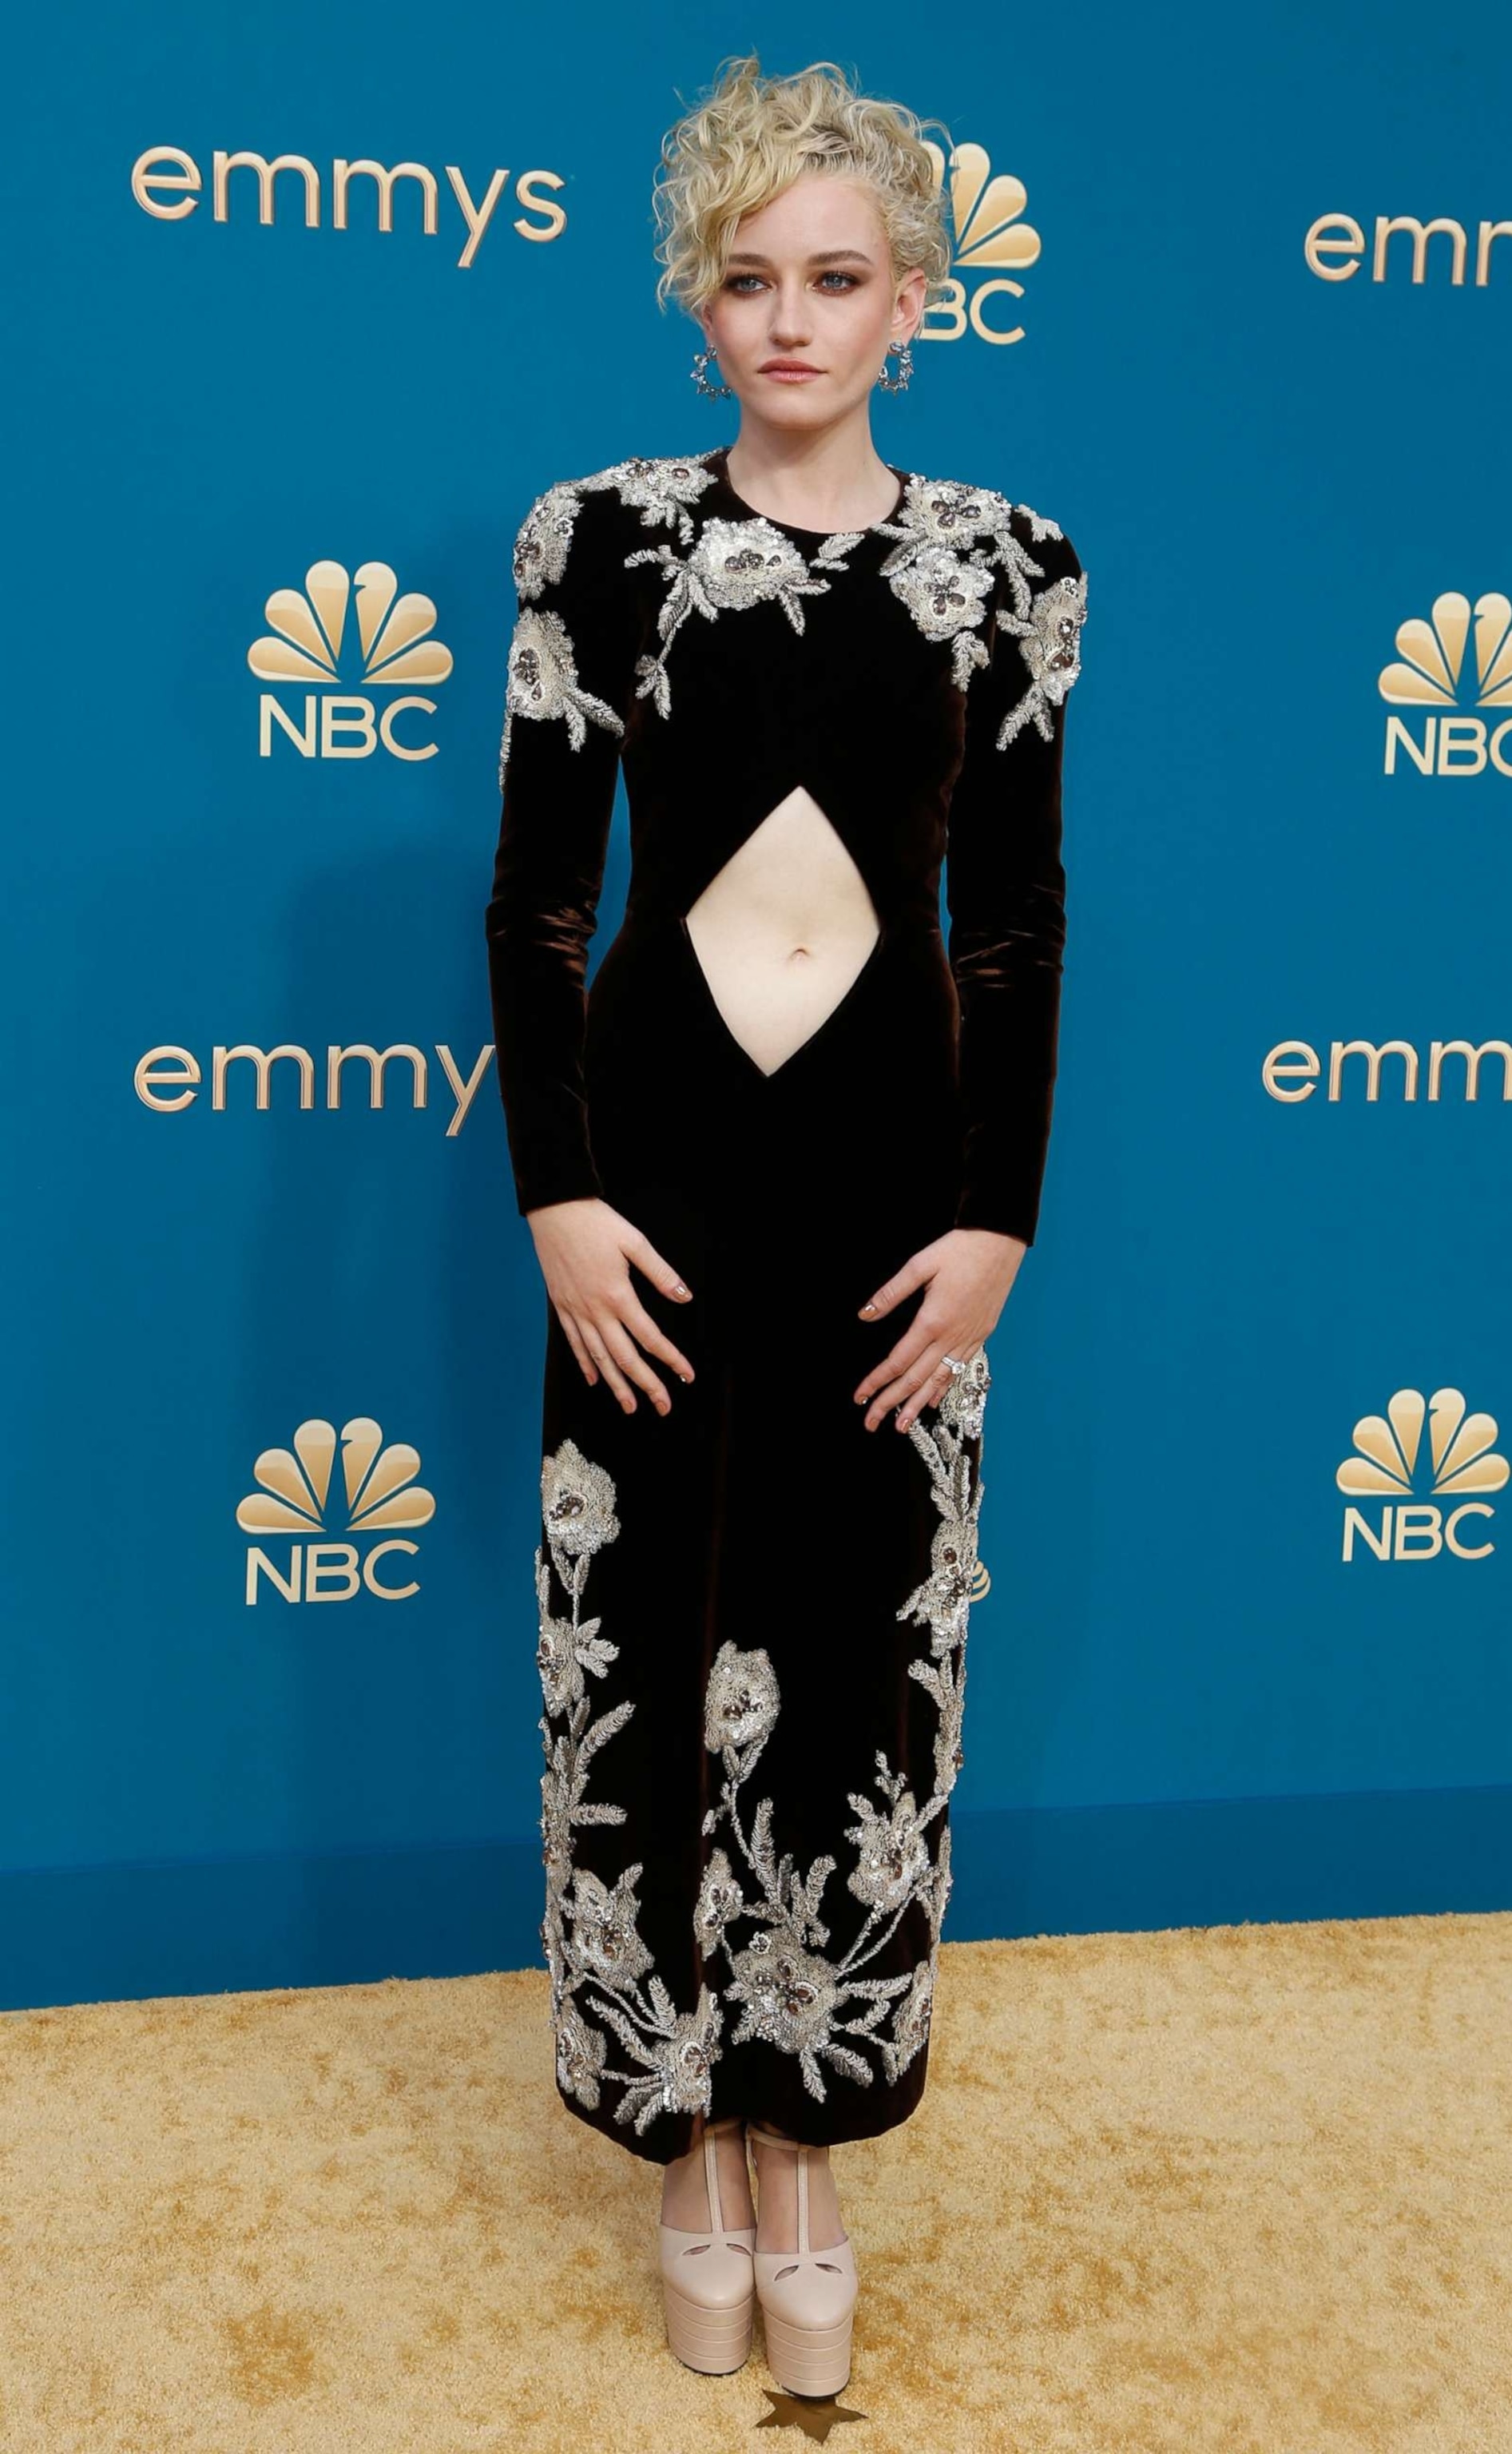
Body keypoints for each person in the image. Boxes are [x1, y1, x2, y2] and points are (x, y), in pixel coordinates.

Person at [483, 50, 1088, 2398]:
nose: (790, 320)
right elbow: (544, 902)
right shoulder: (596, 542)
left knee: (858, 1666)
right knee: (641, 1648)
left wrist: (997, 1226)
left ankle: (809, 2136)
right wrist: (555, 1194)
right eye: (747, 280)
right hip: (646, 1198)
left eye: (838, 278)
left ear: (914, 298)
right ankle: (683, 2136)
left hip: (893, 1208)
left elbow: (1022, 919)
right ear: (695, 299)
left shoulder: (1013, 567)